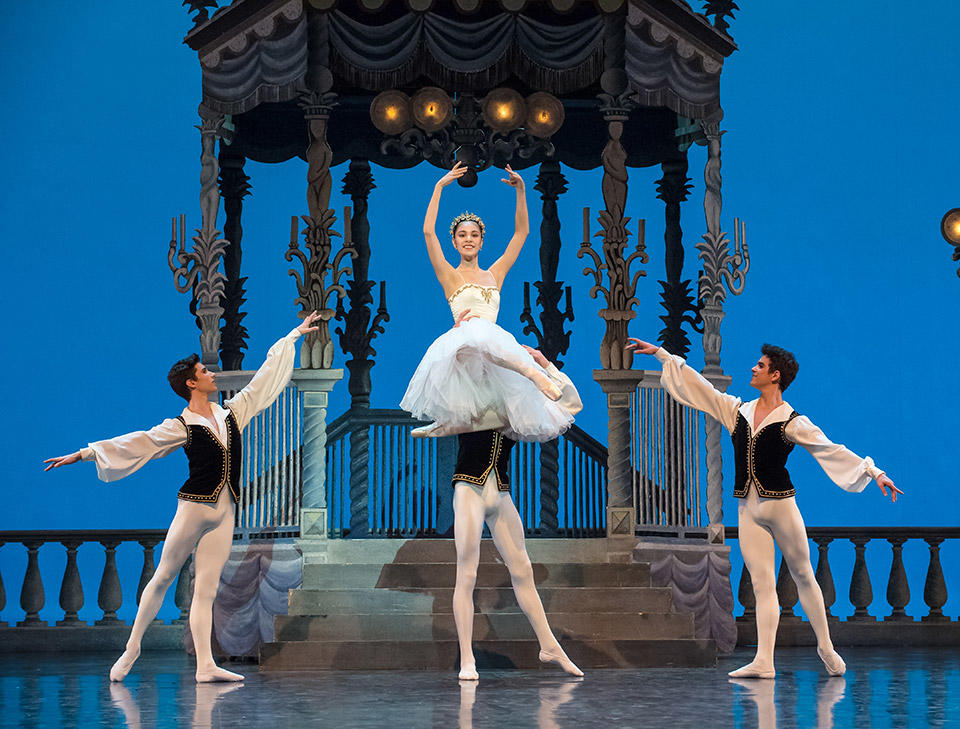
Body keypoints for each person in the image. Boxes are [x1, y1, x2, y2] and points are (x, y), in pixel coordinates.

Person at [44, 313, 320, 683]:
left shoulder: (232, 414)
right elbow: (139, 441)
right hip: (194, 509)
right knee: (162, 578)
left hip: (225, 512)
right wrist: (85, 453)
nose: (211, 373)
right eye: (203, 372)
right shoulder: (181, 425)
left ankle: (206, 666)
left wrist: (294, 335)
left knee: (206, 589)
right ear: (192, 383)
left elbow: (264, 379)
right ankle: (132, 649)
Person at [626, 337, 901, 679]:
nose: (753, 369)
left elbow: (831, 450)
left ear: (775, 376)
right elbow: (703, 389)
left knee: (803, 575)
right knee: (761, 584)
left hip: (781, 507)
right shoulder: (737, 411)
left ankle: (826, 647)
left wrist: (874, 472)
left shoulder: (792, 421)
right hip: (748, 509)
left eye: (760, 365)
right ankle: (764, 661)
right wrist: (663, 355)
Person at [400, 161, 574, 442]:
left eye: (474, 235)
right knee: (473, 335)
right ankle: (446, 422)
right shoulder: (449, 276)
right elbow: (428, 233)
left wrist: (521, 191)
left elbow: (522, 234)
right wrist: (438, 187)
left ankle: (528, 374)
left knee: (492, 408)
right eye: (462, 235)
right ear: (454, 242)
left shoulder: (495, 274)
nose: (468, 239)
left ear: (481, 242)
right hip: (465, 351)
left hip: (496, 356)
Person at [449, 344, 584, 681]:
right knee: (467, 573)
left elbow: (570, 404)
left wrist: (543, 363)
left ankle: (549, 645)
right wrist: (459, 338)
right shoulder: (467, 398)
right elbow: (451, 368)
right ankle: (467, 658)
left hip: (500, 493)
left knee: (523, 569)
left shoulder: (514, 406)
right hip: (469, 489)